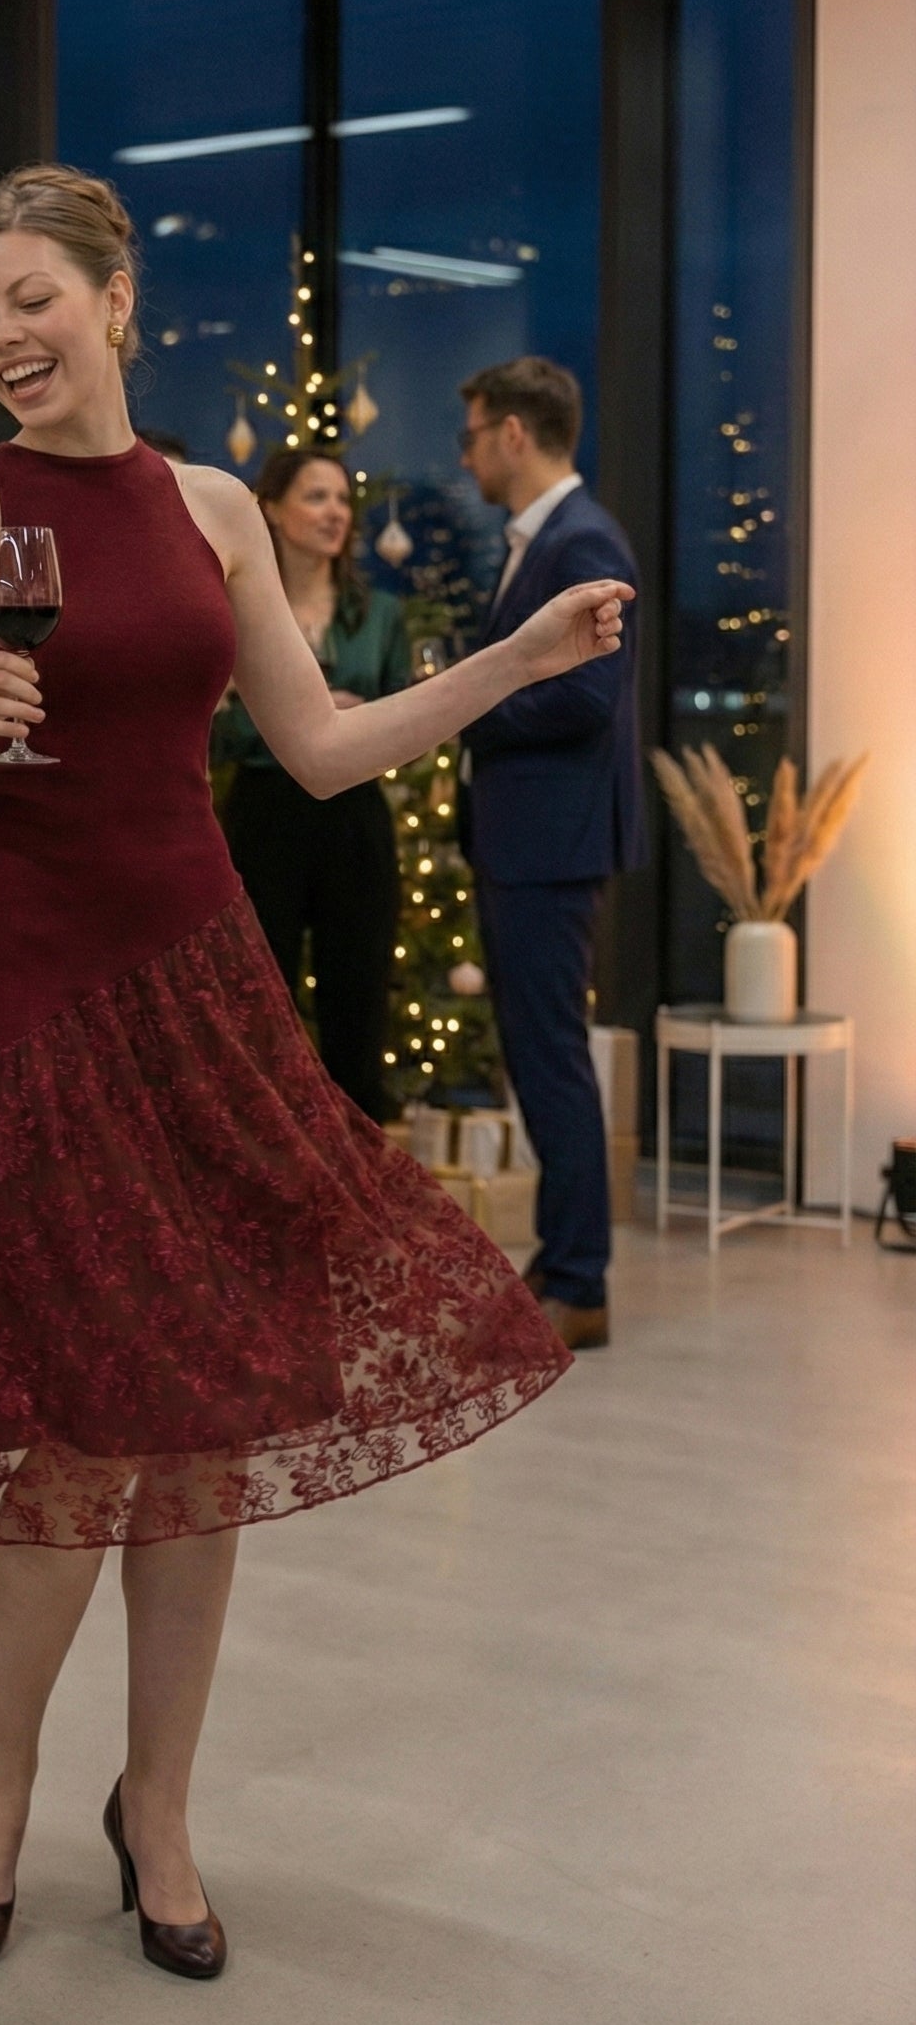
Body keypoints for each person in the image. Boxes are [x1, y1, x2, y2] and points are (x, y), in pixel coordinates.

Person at [0, 165, 630, 1978]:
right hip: (32, 991)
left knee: (200, 1416)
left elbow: (325, 746)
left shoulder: (212, 507)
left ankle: (161, 1806)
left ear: (116, 299)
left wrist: (516, 658)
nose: (2, 339)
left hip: (201, 984)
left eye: (32, 299)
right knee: (81, 1421)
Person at [456, 357, 646, 1354]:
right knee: (538, 1059)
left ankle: (580, 1283)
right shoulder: (550, 538)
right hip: (530, 839)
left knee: (553, 1061)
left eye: (473, 435)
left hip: (549, 843)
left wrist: (462, 699)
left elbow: (585, 696)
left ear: (513, 434)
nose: (466, 457)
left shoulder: (581, 539)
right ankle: (560, 1261)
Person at [215, 446, 410, 1119]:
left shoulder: (381, 615)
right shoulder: (235, 609)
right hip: (264, 814)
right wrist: (299, 718)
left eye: (343, 500)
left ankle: (357, 1166)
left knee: (358, 1003)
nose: (336, 513)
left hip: (354, 817)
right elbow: (214, 730)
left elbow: (404, 721)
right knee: (256, 1003)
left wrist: (352, 719)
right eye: (316, 496)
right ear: (271, 509)